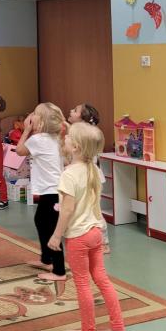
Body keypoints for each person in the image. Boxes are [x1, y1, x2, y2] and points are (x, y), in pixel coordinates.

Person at [49, 122, 128, 331]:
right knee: (102, 279)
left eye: (68, 136)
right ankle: (118, 328)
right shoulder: (93, 169)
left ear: (75, 147)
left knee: (82, 283)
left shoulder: (69, 175)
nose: (64, 138)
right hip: (95, 232)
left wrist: (56, 236)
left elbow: (67, 210)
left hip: (78, 237)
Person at [15, 102, 66, 281]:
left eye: (35, 113)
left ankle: (59, 270)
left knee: (51, 228)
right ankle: (47, 259)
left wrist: (26, 130)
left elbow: (19, 150)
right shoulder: (54, 138)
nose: (31, 115)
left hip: (51, 190)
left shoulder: (38, 140)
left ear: (42, 122)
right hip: (53, 190)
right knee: (40, 220)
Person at [68, 103, 110, 254]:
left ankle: (104, 242)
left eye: (75, 110)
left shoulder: (87, 134)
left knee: (94, 210)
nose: (71, 111)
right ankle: (85, 238)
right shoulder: (75, 131)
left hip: (90, 177)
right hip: (81, 176)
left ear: (83, 117)